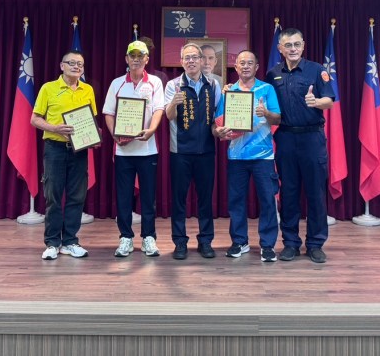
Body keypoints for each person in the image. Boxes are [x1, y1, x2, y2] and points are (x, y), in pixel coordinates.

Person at [265, 28, 334, 264]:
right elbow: (266, 103)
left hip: (312, 139)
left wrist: (317, 102)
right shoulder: (273, 74)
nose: (293, 49)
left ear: (303, 46)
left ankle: (315, 244)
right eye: (288, 45)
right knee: (289, 192)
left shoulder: (317, 70)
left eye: (296, 44)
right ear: (280, 48)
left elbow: (330, 101)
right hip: (285, 138)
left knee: (315, 193)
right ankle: (291, 243)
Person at [213, 50, 281, 262]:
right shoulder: (228, 92)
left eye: (250, 63)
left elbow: (278, 118)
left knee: (267, 201)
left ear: (256, 67)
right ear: (236, 67)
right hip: (236, 156)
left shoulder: (267, 89)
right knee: (236, 202)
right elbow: (217, 125)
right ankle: (239, 242)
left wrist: (266, 113)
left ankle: (267, 245)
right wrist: (219, 132)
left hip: (263, 156)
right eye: (241, 63)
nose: (245, 66)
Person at [32, 51, 97, 260]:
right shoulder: (48, 88)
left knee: (76, 197)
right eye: (72, 63)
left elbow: (91, 120)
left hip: (79, 150)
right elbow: (35, 119)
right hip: (55, 148)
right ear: (62, 66)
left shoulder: (88, 89)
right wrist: (54, 128)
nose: (77, 67)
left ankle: (70, 241)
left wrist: (94, 137)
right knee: (53, 196)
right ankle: (52, 243)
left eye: (80, 64)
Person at [103, 40, 165, 258]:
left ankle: (149, 237)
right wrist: (114, 134)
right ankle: (126, 237)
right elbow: (109, 113)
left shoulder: (155, 82)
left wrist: (151, 130)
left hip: (148, 150)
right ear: (126, 59)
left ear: (147, 59)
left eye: (140, 56)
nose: (136, 59)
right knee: (123, 196)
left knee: (148, 196)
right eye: (132, 55)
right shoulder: (117, 83)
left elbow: (158, 110)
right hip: (123, 151)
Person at [164, 42, 222, 260]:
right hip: (180, 151)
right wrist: (174, 102)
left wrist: (219, 130)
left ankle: (205, 241)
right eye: (186, 58)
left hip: (206, 151)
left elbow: (217, 117)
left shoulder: (213, 84)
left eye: (194, 57)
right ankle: (180, 242)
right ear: (181, 62)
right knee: (179, 199)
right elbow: (169, 116)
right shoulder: (173, 85)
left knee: (205, 199)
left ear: (201, 60)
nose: (191, 61)